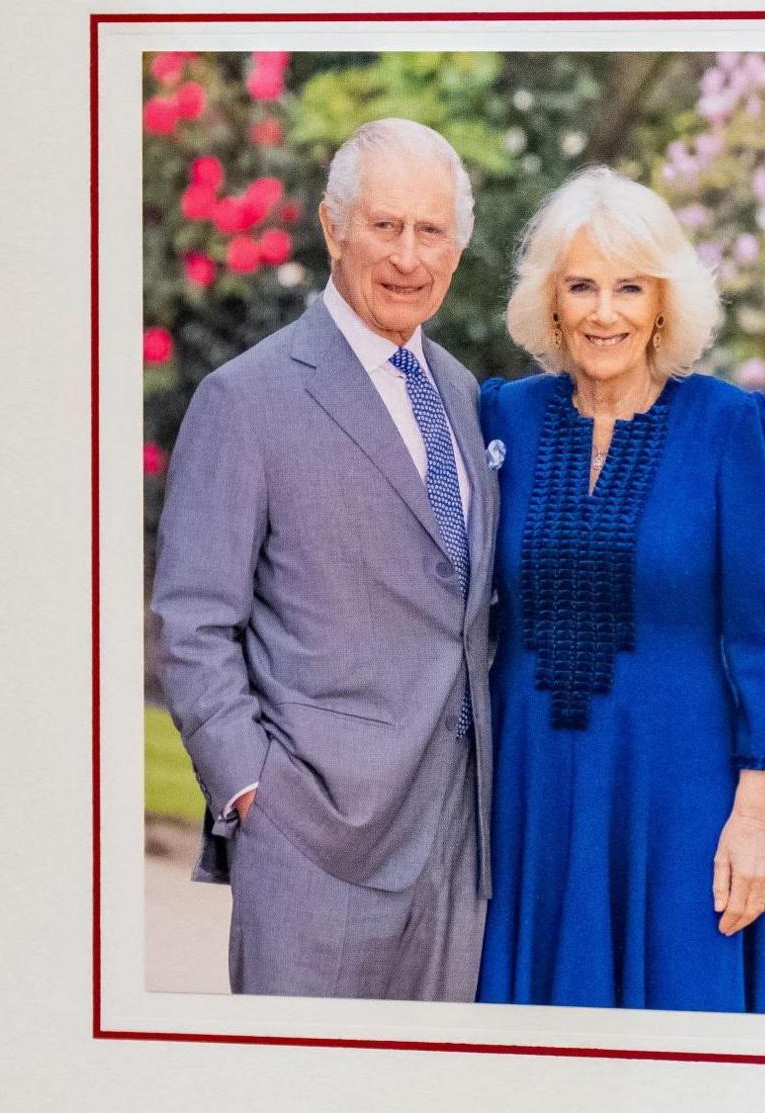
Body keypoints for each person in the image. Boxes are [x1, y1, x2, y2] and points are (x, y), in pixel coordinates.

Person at [151, 118, 499, 1001]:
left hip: (458, 848)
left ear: (457, 247)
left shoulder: (464, 395)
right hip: (311, 845)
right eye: (386, 226)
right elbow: (193, 622)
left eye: (432, 231)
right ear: (333, 227)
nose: (409, 256)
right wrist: (249, 793)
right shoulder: (246, 399)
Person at [474, 165, 765, 1013]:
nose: (603, 311)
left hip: (678, 801)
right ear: (551, 300)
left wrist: (753, 818)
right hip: (531, 791)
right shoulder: (502, 415)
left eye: (628, 287)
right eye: (581, 285)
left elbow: (762, 637)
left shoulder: (730, 425)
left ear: (664, 303)